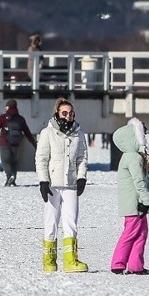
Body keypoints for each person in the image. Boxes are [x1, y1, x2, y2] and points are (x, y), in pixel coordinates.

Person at [36, 98, 89, 273]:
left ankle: (70, 260)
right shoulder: (48, 133)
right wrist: (43, 181)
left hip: (71, 185)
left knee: (71, 222)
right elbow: (41, 158)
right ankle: (49, 261)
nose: (68, 116)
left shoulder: (78, 134)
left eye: (71, 113)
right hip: (52, 184)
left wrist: (81, 177)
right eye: (64, 113)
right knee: (51, 222)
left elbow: (82, 158)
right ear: (57, 114)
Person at [110, 118, 149, 274]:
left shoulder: (130, 156)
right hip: (135, 204)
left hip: (135, 203)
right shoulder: (133, 158)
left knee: (141, 233)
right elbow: (139, 181)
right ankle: (118, 263)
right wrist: (146, 201)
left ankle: (136, 265)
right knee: (131, 233)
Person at [0, 99, 37, 186]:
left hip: (4, 143)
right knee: (14, 162)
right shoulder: (20, 119)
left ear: (8, 107)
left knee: (5, 161)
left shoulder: (3, 118)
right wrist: (34, 144)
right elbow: (27, 133)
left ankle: (10, 176)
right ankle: (12, 180)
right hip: (16, 143)